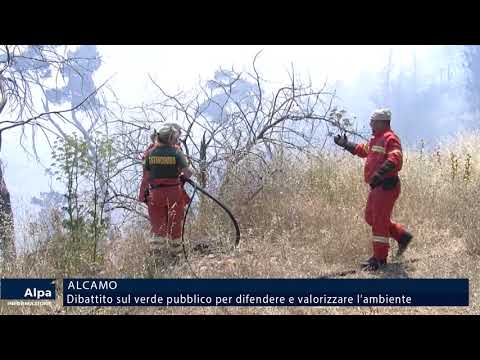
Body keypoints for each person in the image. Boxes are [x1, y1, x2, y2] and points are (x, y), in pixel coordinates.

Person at [333, 109, 413, 271]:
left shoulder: (390, 138)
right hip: (377, 187)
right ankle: (402, 236)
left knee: (378, 222)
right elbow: (363, 150)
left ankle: (379, 259)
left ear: (382, 122)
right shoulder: (376, 139)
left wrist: (379, 174)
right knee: (371, 218)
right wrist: (345, 144)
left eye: (373, 121)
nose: (370, 124)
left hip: (386, 187)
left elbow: (396, 159)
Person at [139, 124, 193, 259]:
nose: (177, 140)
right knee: (175, 225)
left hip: (156, 195)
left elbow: (146, 175)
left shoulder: (150, 153)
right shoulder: (176, 152)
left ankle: (157, 259)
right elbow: (188, 173)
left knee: (158, 226)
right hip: (174, 194)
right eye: (175, 138)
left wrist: (143, 195)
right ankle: (176, 256)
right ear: (170, 139)